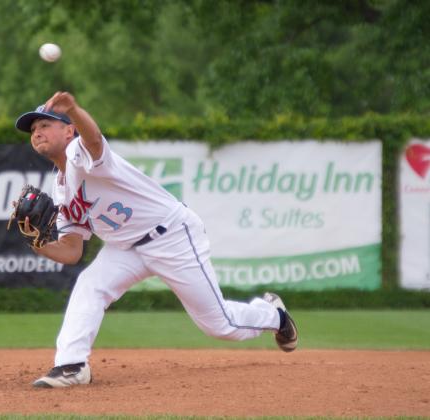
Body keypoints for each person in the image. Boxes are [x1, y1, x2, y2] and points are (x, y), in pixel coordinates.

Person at [15, 92, 298, 388]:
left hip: (171, 235)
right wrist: (39, 243)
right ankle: (71, 366)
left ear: (69, 130)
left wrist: (73, 108)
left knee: (219, 325)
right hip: (125, 248)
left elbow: (95, 140)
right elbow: (72, 250)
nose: (37, 133)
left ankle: (274, 316)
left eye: (45, 125)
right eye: (33, 130)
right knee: (90, 285)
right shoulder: (60, 189)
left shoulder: (78, 153)